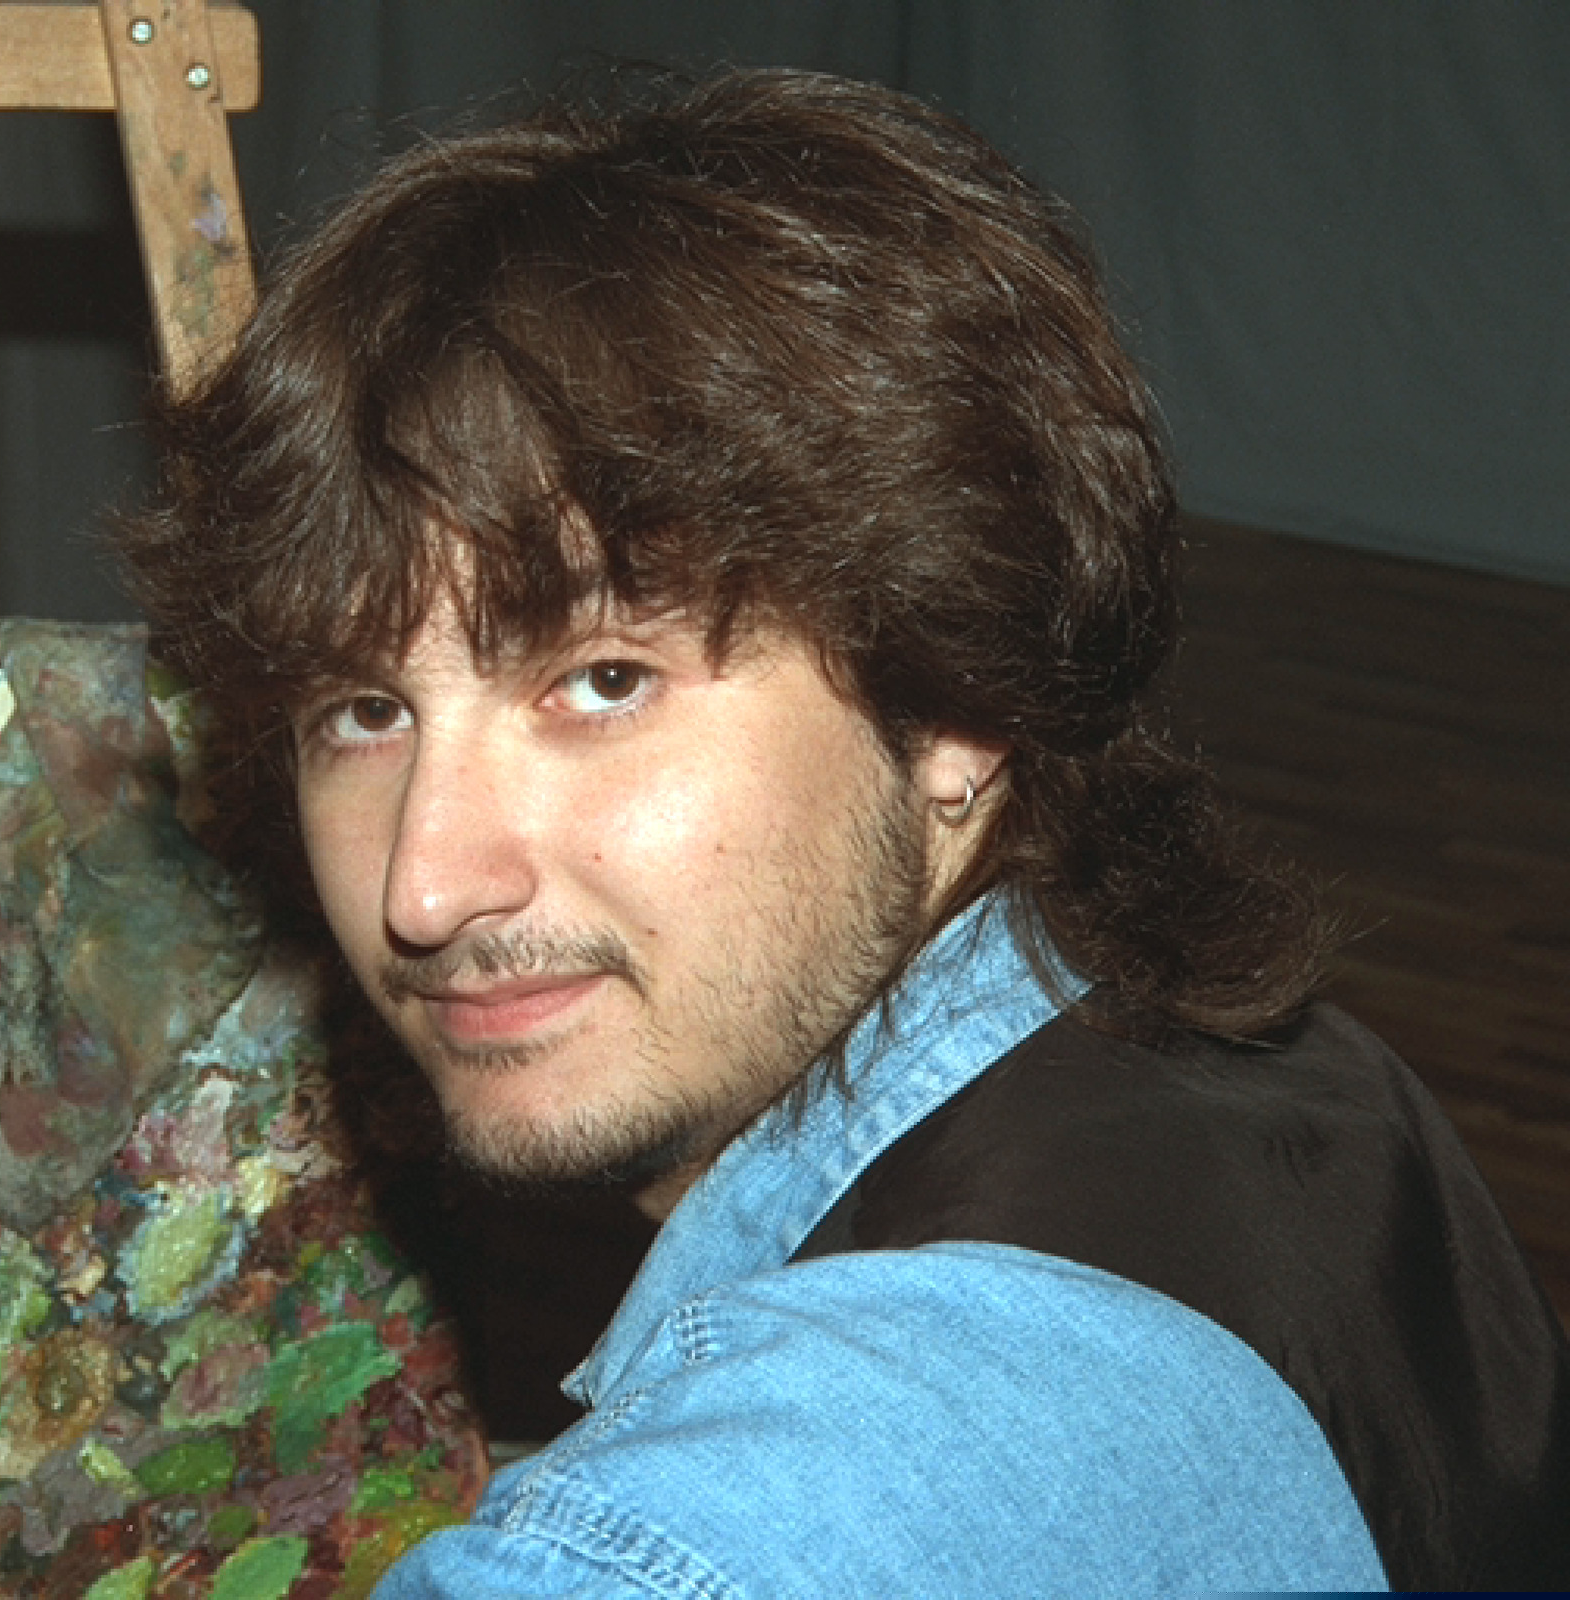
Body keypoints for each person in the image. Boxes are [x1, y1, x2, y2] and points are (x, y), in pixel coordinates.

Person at [118, 69, 1570, 1593]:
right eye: (362, 710)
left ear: (955, 703)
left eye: (602, 682)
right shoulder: (1299, 1082)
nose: (424, 887)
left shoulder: (722, 1539)